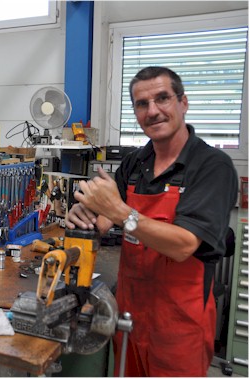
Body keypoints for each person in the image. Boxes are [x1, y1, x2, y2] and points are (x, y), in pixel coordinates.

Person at [66, 66, 238, 376]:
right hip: (129, 312)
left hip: (179, 324)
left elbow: (184, 244)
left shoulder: (212, 166)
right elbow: (106, 215)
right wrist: (87, 218)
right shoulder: (135, 162)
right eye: (142, 104)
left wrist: (120, 213)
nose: (153, 111)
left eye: (162, 98)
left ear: (183, 102)